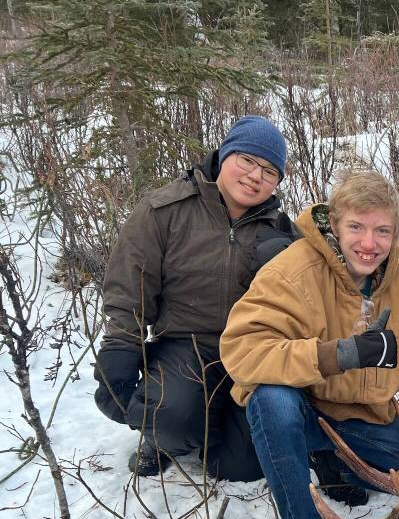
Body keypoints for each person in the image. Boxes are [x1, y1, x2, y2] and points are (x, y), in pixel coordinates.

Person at [220, 172, 399, 519]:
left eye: (382, 231)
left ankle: (338, 466)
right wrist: (340, 354)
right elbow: (241, 350)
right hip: (307, 412)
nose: (369, 244)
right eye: (356, 227)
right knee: (270, 399)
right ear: (334, 224)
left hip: (368, 419)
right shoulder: (293, 271)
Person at [94, 115, 295, 480]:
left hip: (250, 352)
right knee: (171, 419)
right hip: (184, 345)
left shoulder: (282, 232)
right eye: (247, 160)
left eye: (269, 171)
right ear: (224, 156)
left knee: (243, 467)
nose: (255, 176)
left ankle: (213, 428)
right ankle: (166, 434)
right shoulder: (164, 210)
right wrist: (121, 347)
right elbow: (130, 286)